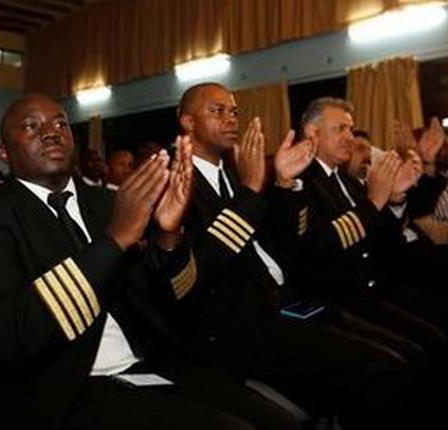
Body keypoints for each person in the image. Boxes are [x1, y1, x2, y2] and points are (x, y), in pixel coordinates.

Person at [0, 93, 301, 430]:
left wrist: (167, 235)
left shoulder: (106, 202)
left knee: (279, 422)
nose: (51, 132)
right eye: (31, 126)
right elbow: (7, 338)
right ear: (3, 152)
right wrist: (113, 241)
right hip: (60, 386)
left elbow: (169, 299)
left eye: (60, 123)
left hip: (150, 363)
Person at [173, 82, 422, 430]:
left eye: (234, 111)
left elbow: (288, 246)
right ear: (187, 122)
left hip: (290, 302)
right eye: (217, 111)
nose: (231, 119)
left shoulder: (233, 176)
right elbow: (199, 271)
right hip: (237, 326)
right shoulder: (177, 185)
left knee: (399, 358)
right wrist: (251, 190)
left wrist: (286, 185)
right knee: (385, 368)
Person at [289, 97, 448, 429]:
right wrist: (378, 200)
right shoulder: (299, 182)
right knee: (430, 349)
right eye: (340, 128)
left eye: (351, 127)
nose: (349, 136)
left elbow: (387, 241)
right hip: (343, 296)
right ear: (312, 131)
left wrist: (394, 199)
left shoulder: (344, 180)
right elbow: (320, 251)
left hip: (378, 282)